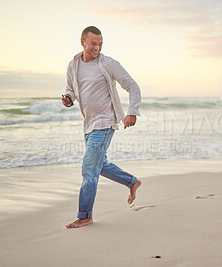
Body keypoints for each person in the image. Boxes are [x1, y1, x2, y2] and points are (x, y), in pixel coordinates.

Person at [62, 26, 142, 228]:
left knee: (89, 168)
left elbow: (132, 86)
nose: (97, 48)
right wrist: (68, 98)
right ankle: (131, 182)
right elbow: (70, 88)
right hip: (88, 124)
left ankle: (85, 215)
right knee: (100, 165)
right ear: (83, 42)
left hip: (105, 122)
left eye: (100, 44)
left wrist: (132, 111)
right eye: (93, 44)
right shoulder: (74, 65)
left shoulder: (108, 64)